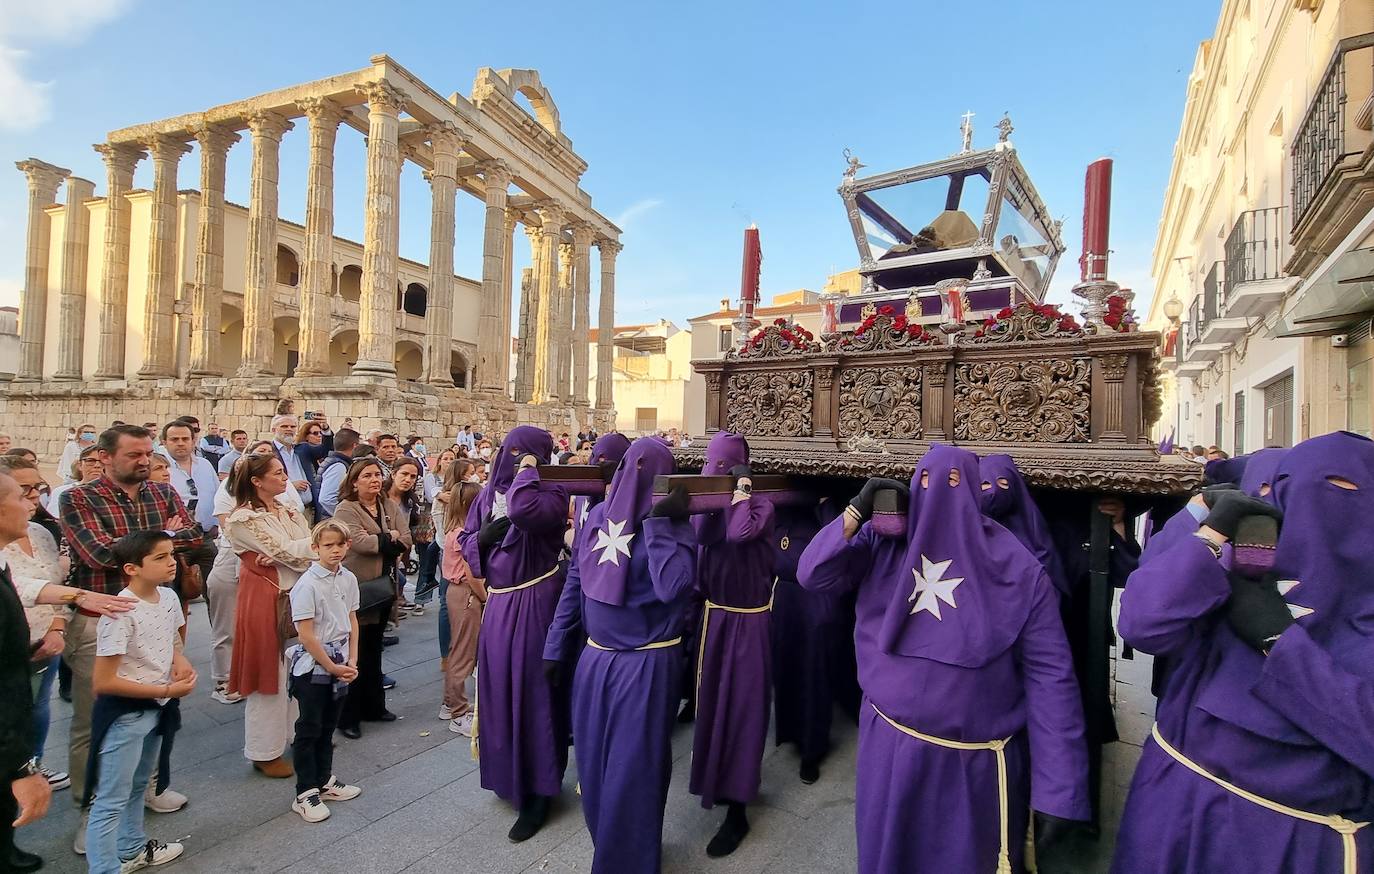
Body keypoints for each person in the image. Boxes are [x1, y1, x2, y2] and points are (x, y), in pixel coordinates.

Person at [798, 444, 1090, 873]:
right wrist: (857, 510)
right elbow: (813, 573)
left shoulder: (1018, 567)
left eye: (954, 483)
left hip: (969, 766)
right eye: (928, 482)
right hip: (889, 748)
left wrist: (1059, 789)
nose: (939, 495)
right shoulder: (886, 544)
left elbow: (1051, 679)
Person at [1113, 432, 1374, 873]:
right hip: (1175, 808)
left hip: (1298, 842)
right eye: (1284, 484)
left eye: (1336, 485)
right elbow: (1143, 622)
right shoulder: (1240, 564)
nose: (1306, 501)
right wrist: (1202, 526)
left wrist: (1280, 644)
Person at [543, 438, 698, 873]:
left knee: (634, 773)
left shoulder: (677, 525)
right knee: (593, 770)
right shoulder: (596, 518)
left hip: (648, 661)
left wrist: (663, 527)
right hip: (595, 658)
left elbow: (675, 587)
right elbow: (575, 583)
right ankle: (609, 849)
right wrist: (556, 645)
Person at [58, 425, 201, 850]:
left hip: (158, 616)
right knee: (95, 719)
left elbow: (197, 537)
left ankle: (149, 786)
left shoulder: (162, 492)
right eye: (134, 455)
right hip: (102, 615)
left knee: (159, 707)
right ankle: (93, 809)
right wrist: (164, 539)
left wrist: (165, 543)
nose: (144, 461)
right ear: (104, 457)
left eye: (147, 454)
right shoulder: (78, 497)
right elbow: (98, 554)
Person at [459, 425, 570, 842]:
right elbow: (467, 540)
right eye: (511, 450)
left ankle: (540, 789)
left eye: (527, 453)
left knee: (533, 697)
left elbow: (526, 513)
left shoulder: (552, 494)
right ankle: (507, 776)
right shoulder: (487, 494)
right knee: (499, 694)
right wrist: (481, 542)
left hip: (535, 602)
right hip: (499, 606)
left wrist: (528, 471)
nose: (515, 457)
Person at [84, 531, 195, 874]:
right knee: (110, 799)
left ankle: (131, 848)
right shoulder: (120, 611)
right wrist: (165, 691)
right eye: (160, 558)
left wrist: (179, 663)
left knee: (137, 785)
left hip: (158, 707)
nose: (171, 562)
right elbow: (104, 681)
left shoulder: (169, 598)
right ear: (132, 568)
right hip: (126, 715)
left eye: (171, 554)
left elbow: (173, 641)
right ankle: (104, 867)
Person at [688, 431, 776, 857]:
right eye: (711, 464)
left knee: (742, 709)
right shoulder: (715, 504)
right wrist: (711, 493)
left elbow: (741, 534)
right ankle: (713, 781)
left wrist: (740, 490)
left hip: (748, 621)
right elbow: (702, 535)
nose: (714, 473)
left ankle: (739, 806)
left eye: (722, 466)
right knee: (712, 706)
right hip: (715, 618)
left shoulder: (762, 505)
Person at [225, 454, 314, 779]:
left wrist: (293, 550)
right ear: (256, 481)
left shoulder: (287, 509)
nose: (284, 477)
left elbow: (304, 547)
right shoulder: (243, 520)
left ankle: (293, 733)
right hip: (267, 599)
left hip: (296, 595)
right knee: (270, 676)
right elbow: (290, 552)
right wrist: (296, 550)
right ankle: (264, 750)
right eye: (277, 473)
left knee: (297, 668)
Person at [284, 520, 363, 823]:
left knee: (329, 723)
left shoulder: (348, 578)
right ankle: (305, 791)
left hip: (341, 657)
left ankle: (324, 778)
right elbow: (306, 634)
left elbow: (352, 619)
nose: (335, 550)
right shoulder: (307, 585)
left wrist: (352, 659)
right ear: (315, 548)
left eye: (340, 544)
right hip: (314, 664)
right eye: (328, 545)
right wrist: (331, 666)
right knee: (310, 726)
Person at [205, 441, 293, 705]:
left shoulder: (281, 501)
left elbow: (300, 538)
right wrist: (289, 550)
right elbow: (281, 547)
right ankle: (225, 678)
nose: (281, 475)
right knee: (230, 623)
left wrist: (292, 550)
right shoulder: (234, 501)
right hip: (236, 561)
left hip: (276, 573)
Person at [770, 494, 849, 785]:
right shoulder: (785, 506)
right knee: (785, 666)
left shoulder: (827, 508)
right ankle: (791, 731)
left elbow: (839, 541)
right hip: (786, 597)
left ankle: (812, 749)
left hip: (816, 600)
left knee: (815, 672)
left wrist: (825, 502)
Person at [2, 482, 72, 794]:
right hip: (19, 643)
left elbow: (54, 577)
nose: (34, 497)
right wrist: (80, 595)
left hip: (47, 636)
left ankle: (33, 764)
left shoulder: (41, 533)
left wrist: (57, 627)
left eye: (37, 488)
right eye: (23, 491)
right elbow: (21, 586)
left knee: (39, 703)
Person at [332, 458, 408, 737]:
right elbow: (359, 543)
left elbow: (407, 538)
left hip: (383, 586)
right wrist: (390, 538)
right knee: (354, 651)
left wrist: (388, 539)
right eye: (367, 475)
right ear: (354, 481)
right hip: (358, 587)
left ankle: (374, 706)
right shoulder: (346, 508)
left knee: (374, 648)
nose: (374, 480)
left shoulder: (388, 505)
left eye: (377, 474)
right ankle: (347, 716)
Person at [978, 454, 1069, 596]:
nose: (994, 490)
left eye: (1003, 483)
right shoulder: (970, 531)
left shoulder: (1033, 531)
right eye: (985, 484)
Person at [439, 480, 483, 736]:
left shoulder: (455, 530)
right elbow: (470, 572)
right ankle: (458, 711)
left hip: (457, 591)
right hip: (465, 592)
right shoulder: (463, 534)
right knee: (463, 652)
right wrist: (484, 595)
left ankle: (450, 702)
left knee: (459, 648)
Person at [159, 420, 221, 597]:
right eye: (174, 439)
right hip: (177, 542)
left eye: (185, 438)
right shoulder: (160, 468)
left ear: (193, 441)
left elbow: (216, 494)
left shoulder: (205, 465)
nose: (180, 443)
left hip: (206, 537)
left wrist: (216, 523)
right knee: (177, 594)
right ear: (164, 441)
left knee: (213, 589)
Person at [269, 416, 315, 514]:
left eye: (292, 427)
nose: (289, 429)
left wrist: (325, 429)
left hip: (307, 510)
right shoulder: (268, 452)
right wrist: (291, 486)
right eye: (284, 426)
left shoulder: (301, 450)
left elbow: (324, 449)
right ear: (273, 430)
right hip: (284, 510)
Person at [315, 428, 360, 519]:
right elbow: (327, 499)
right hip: (331, 521)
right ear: (355, 446)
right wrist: (345, 516)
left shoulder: (334, 462)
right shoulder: (338, 466)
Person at [295, 418, 334, 506]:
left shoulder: (314, 454)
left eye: (320, 433)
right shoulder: (303, 448)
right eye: (315, 433)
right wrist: (326, 430)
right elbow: (325, 450)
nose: (320, 436)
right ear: (306, 436)